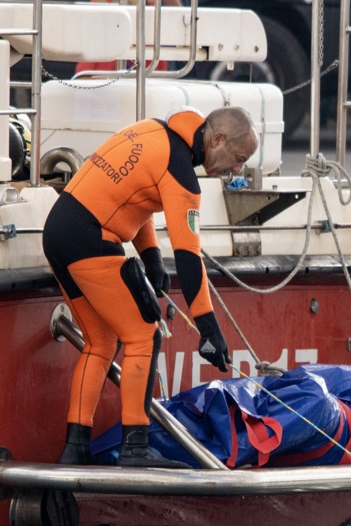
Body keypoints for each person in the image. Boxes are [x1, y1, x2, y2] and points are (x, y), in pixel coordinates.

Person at [43, 106, 259, 468]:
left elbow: (134, 196)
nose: (237, 171)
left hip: (59, 231)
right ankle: (135, 447)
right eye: (238, 159)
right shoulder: (182, 176)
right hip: (89, 239)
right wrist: (209, 328)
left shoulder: (153, 133)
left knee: (100, 343)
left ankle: (75, 448)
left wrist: (152, 258)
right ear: (218, 139)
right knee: (145, 335)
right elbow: (190, 259)